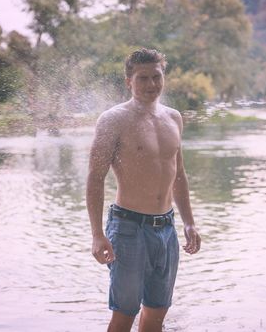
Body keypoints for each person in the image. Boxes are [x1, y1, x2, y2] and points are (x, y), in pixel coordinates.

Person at [86, 48, 201, 332]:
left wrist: (189, 222)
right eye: (143, 78)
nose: (151, 84)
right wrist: (98, 235)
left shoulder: (174, 118)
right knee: (124, 314)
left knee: (157, 314)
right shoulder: (113, 120)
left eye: (156, 77)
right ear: (129, 81)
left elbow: (179, 176)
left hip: (166, 227)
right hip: (128, 228)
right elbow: (95, 178)